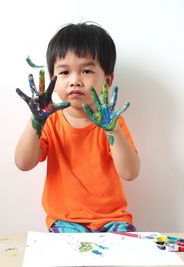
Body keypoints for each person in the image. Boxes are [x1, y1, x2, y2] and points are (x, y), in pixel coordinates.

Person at [15, 22, 140, 233]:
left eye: (87, 71)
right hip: (64, 223)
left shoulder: (112, 124)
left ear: (107, 80)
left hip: (113, 222)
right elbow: (23, 163)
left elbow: (130, 172)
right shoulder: (51, 122)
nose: (75, 81)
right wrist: (36, 122)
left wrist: (113, 131)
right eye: (64, 72)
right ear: (52, 78)